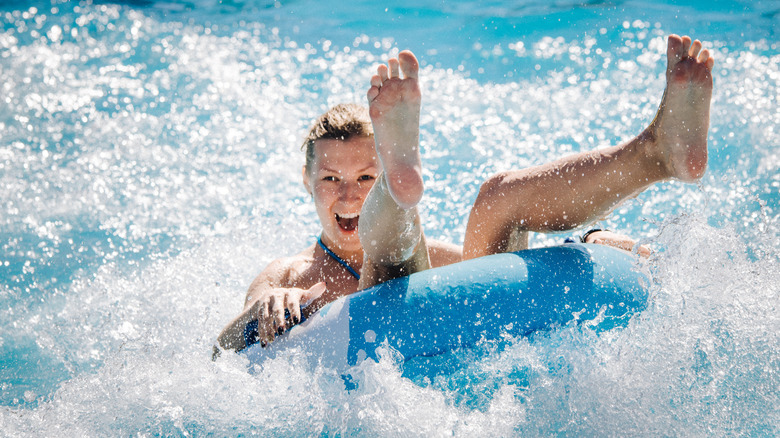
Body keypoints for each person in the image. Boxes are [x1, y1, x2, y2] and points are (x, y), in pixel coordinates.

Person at [216, 34, 712, 354]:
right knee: (393, 254)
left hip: (451, 357)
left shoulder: (437, 255)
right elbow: (222, 349)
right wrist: (262, 308)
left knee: (494, 198)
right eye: (331, 180)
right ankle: (397, 185)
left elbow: (510, 264)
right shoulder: (288, 273)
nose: (348, 194)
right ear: (307, 183)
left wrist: (593, 242)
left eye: (366, 178)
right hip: (368, 362)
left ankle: (655, 153)